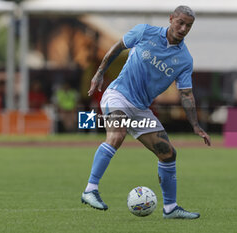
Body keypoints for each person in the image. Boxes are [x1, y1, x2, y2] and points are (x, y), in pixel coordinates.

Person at [81, 6, 211, 219]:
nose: (183, 28)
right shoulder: (144, 32)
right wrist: (99, 73)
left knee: (168, 154)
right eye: (180, 22)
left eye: (188, 25)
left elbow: (186, 94)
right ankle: (90, 190)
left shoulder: (185, 60)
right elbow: (117, 47)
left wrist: (195, 125)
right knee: (117, 134)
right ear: (171, 19)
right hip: (118, 95)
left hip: (140, 111)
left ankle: (170, 209)